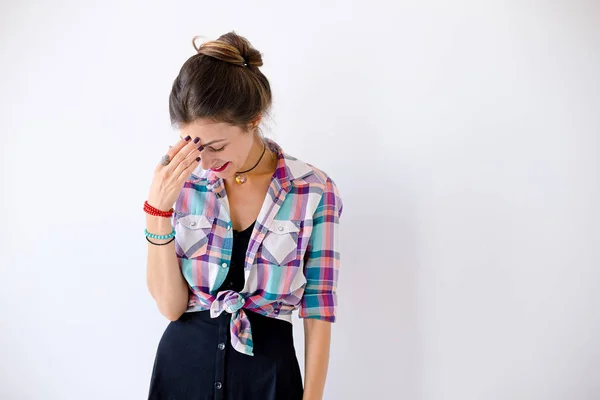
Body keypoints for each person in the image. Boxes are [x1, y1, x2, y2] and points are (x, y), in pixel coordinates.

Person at [144, 31, 343, 400]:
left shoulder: (313, 190)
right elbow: (171, 308)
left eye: (217, 146)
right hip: (183, 372)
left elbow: (318, 306)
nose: (205, 161)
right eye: (194, 147)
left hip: (268, 378)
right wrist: (157, 211)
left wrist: (312, 397)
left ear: (254, 119)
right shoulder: (184, 185)